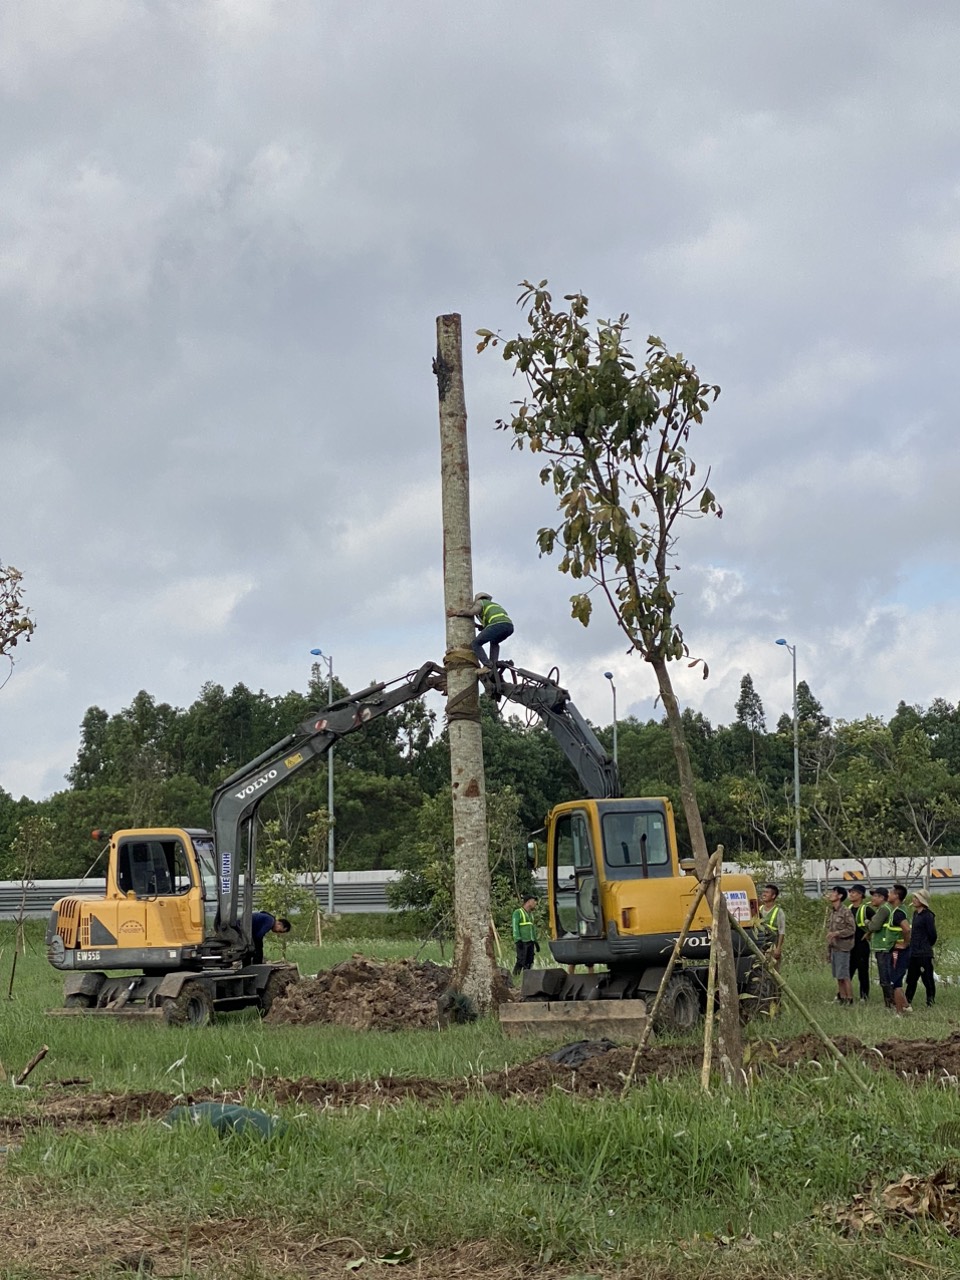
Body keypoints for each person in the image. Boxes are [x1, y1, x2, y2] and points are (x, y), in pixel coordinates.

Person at [451, 592, 514, 674]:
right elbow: (490, 624)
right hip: (509, 626)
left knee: (476, 643)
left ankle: (487, 666)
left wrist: (456, 612)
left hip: (498, 625)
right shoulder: (494, 605)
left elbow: (472, 612)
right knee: (494, 642)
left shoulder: (480, 602)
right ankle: (493, 665)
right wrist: (478, 626)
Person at [905, 889, 938, 1009]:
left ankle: (930, 1001)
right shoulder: (915, 914)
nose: (914, 900)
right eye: (914, 897)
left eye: (917, 898)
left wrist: (926, 945)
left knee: (927, 979)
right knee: (911, 979)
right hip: (913, 952)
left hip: (924, 953)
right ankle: (907, 1001)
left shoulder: (928, 915)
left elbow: (932, 934)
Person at [865, 887, 897, 1008]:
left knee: (885, 978)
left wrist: (867, 922)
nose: (872, 898)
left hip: (883, 947)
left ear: (882, 898)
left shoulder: (883, 909)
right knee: (888, 976)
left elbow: (874, 926)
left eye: (875, 896)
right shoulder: (888, 908)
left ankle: (890, 1003)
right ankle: (892, 1002)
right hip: (886, 946)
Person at [825, 885, 855, 1005]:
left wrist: (837, 933)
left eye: (833, 892)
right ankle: (842, 998)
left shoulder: (846, 911)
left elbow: (851, 929)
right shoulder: (833, 911)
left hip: (843, 947)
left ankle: (849, 999)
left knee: (844, 975)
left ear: (840, 896)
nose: (831, 894)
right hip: (834, 947)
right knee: (838, 975)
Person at [886, 886, 913, 1014]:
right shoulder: (899, 909)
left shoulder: (898, 913)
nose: (888, 894)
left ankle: (899, 1012)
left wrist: (905, 944)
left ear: (896, 896)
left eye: (890, 892)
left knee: (896, 982)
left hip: (899, 951)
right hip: (897, 950)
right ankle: (906, 1006)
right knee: (897, 979)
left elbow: (907, 929)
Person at [847, 884, 874, 1001]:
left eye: (854, 892)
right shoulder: (848, 908)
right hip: (849, 945)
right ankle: (843, 995)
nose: (851, 894)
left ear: (861, 895)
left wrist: (869, 933)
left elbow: (878, 922)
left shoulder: (866, 909)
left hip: (862, 945)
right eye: (850, 892)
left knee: (863, 971)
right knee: (847, 971)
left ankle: (864, 996)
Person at [756, 883, 785, 967]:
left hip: (772, 945)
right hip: (761, 943)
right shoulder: (759, 909)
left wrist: (778, 948)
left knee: (773, 968)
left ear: (773, 896)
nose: (764, 894)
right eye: (763, 892)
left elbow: (782, 931)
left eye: (767, 892)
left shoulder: (779, 911)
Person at [511, 894, 539, 975]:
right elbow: (515, 927)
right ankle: (515, 976)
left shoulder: (531, 915)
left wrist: (535, 942)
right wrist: (517, 939)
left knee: (529, 961)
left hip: (530, 942)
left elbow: (532, 929)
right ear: (529, 901)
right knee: (521, 960)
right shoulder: (518, 913)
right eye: (534, 901)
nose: (535, 903)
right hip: (522, 942)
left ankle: (527, 977)